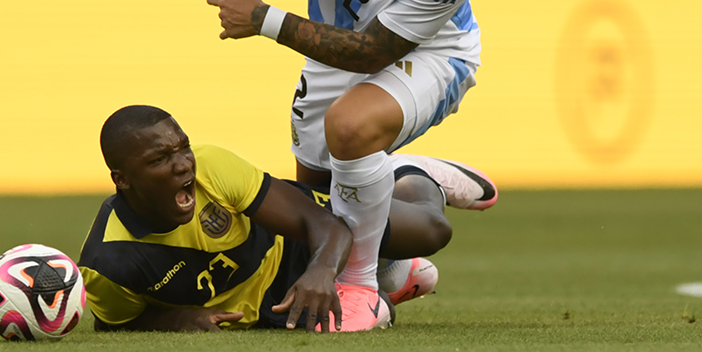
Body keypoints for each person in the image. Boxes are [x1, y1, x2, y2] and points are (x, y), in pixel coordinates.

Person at [190, 0, 497, 331]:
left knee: (350, 129)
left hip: (429, 54)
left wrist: (264, 19)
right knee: (315, 204)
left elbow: (373, 53)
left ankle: (360, 290)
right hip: (334, 44)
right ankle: (409, 187)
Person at [79, 105, 475, 332]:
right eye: (160, 160)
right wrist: (179, 318)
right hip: (271, 305)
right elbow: (114, 323)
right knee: (376, 303)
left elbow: (324, 226)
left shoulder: (212, 166)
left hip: (294, 239)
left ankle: (409, 175)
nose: (183, 165)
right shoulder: (109, 262)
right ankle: (387, 277)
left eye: (182, 149)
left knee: (432, 231)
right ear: (123, 179)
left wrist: (320, 271)